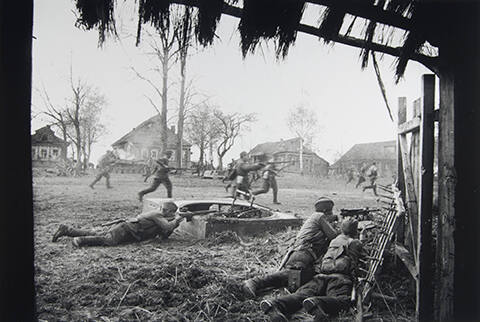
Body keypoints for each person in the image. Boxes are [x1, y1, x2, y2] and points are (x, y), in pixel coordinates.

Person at [260, 218, 366, 322]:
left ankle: (275, 304)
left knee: (301, 295)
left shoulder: (334, 241)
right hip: (340, 278)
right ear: (355, 231)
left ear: (342, 229)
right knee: (343, 300)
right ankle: (316, 303)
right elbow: (361, 257)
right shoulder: (355, 242)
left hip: (320, 276)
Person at [242, 197, 339, 298]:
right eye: (331, 211)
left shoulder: (315, 218)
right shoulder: (319, 216)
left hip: (305, 254)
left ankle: (261, 287)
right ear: (325, 210)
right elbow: (334, 236)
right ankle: (255, 282)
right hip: (303, 252)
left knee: (301, 278)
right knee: (292, 275)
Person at [51, 201, 185, 247]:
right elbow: (167, 227)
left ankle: (67, 230)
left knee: (97, 233)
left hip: (127, 228)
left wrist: (175, 223)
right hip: (126, 229)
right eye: (171, 213)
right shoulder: (157, 215)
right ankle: (80, 240)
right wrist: (177, 220)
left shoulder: (160, 215)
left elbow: (164, 234)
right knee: (109, 240)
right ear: (166, 210)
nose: (171, 215)